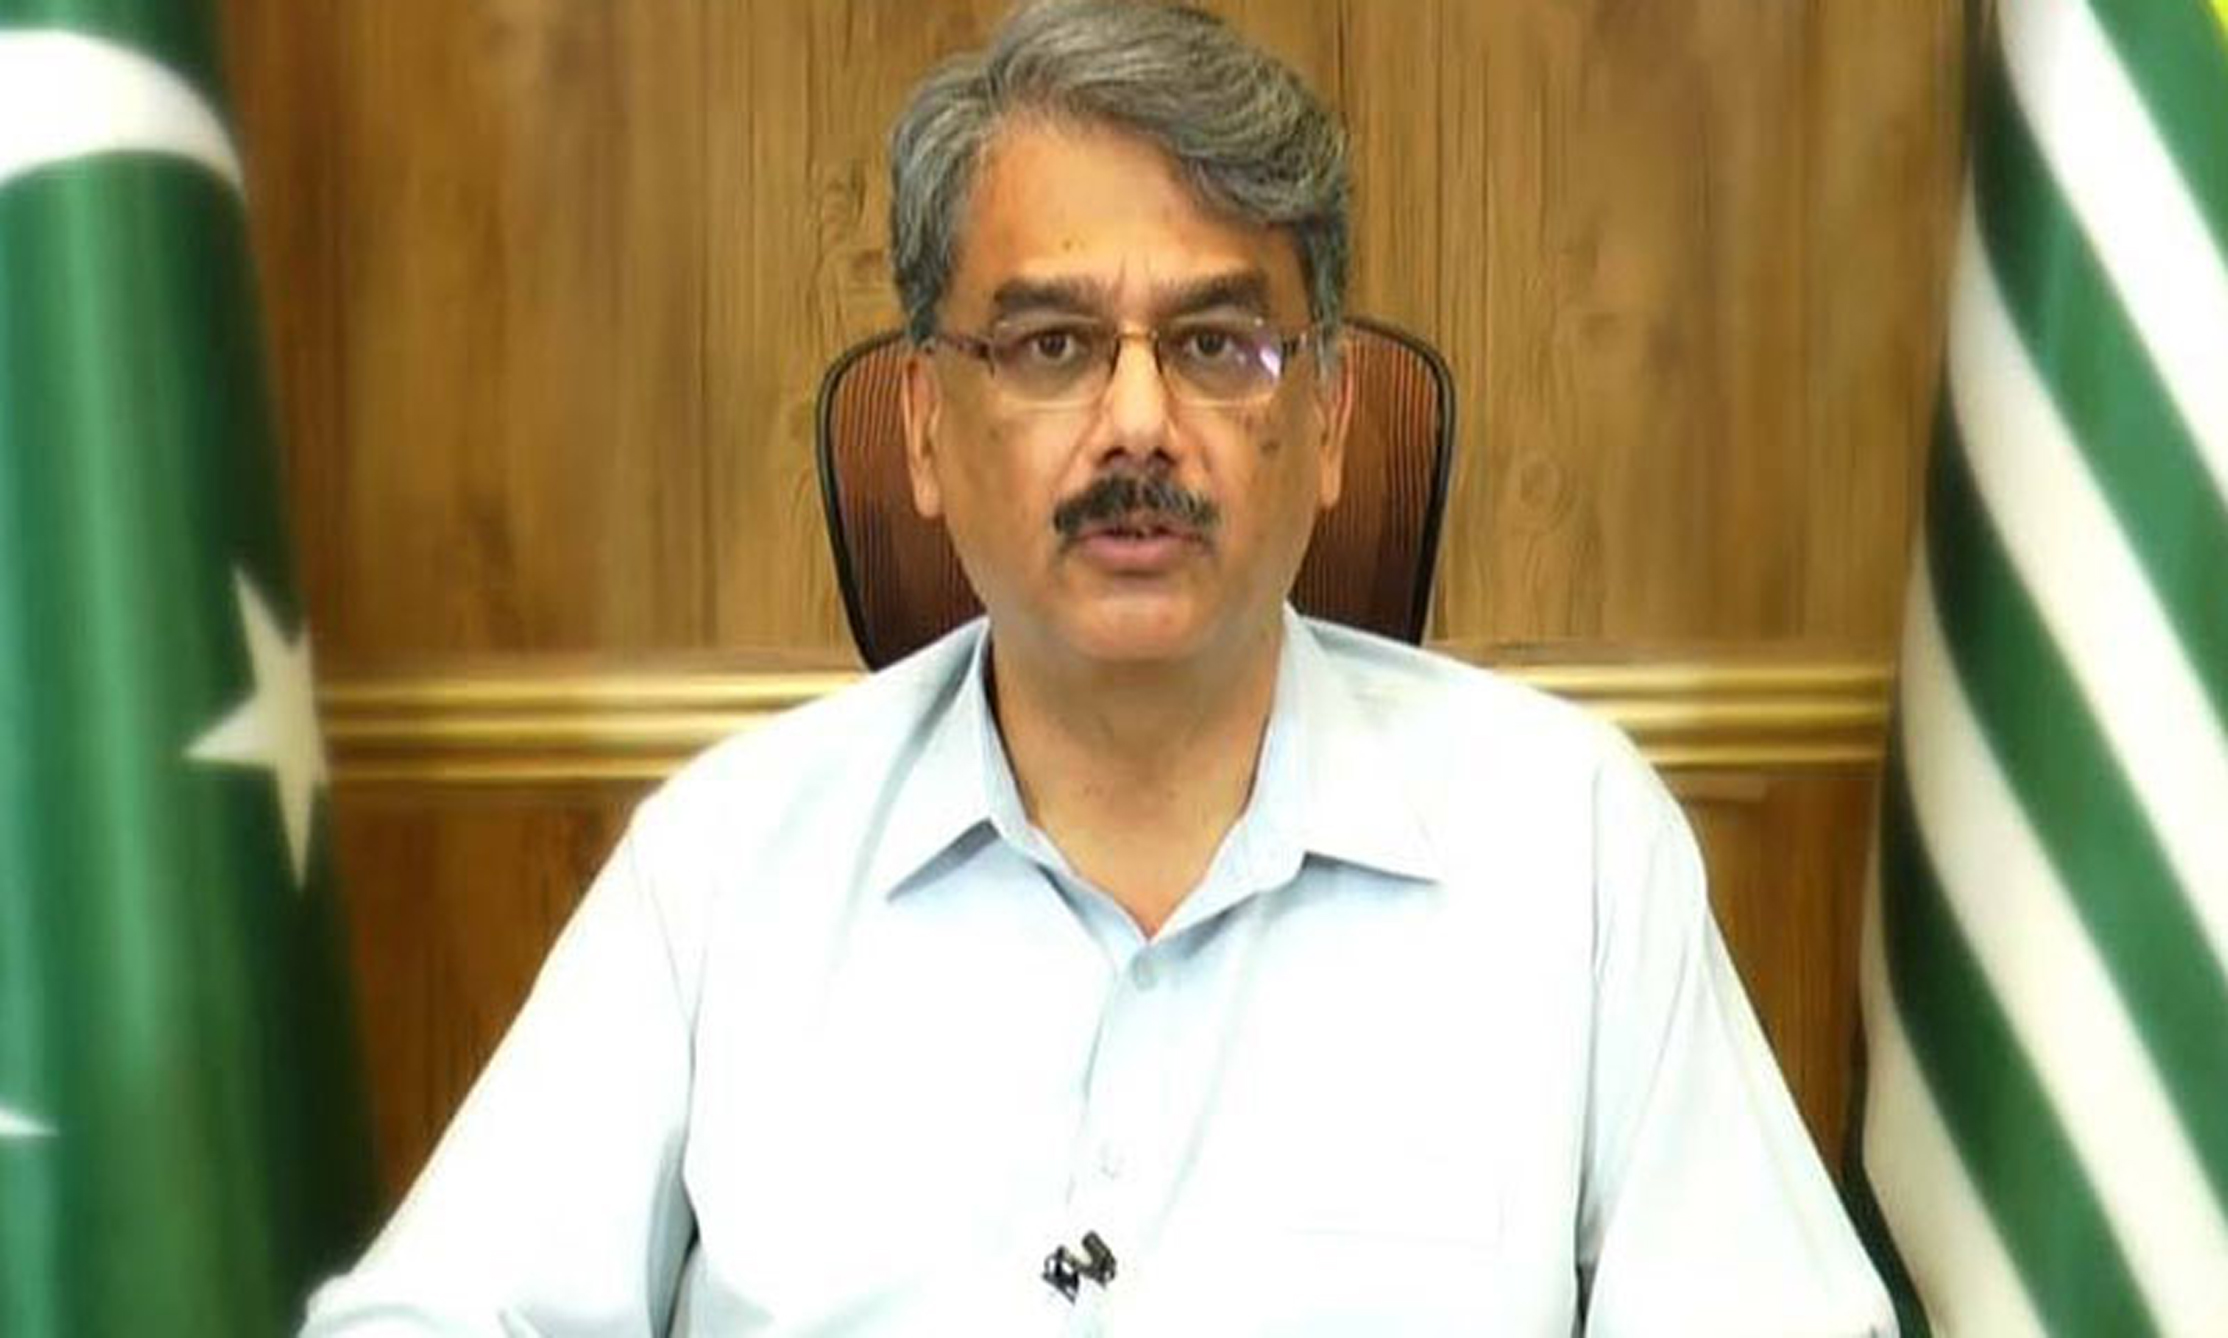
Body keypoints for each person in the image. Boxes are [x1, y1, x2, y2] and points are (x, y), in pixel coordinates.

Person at [303, 1, 1895, 1333]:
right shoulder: (729, 866)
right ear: (927, 430)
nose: (1139, 423)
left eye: (1217, 344)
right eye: (1052, 345)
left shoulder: (1571, 847)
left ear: (1328, 422)